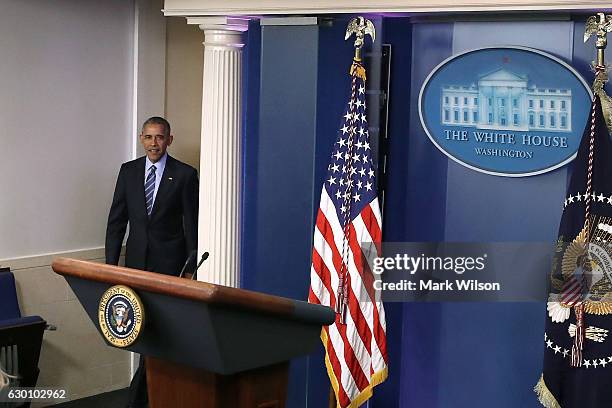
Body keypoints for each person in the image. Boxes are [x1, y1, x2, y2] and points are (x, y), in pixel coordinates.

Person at [105, 116, 198, 408]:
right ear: (141, 138)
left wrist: (191, 269)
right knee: (141, 329)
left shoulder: (185, 174)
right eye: (148, 137)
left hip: (171, 267)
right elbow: (116, 221)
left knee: (162, 330)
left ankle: (142, 397)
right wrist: (110, 266)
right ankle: (147, 393)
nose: (153, 143)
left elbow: (192, 224)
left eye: (159, 137)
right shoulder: (129, 171)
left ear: (169, 139)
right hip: (135, 265)